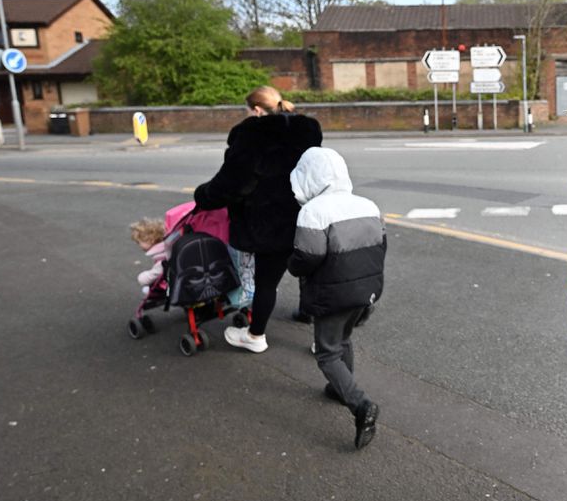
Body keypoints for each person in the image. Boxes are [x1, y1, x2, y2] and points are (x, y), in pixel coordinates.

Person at [194, 85, 322, 353]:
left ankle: (256, 335)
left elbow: (233, 183)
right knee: (310, 271)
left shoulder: (252, 133)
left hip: (268, 222)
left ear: (255, 109)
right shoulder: (308, 130)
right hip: (306, 215)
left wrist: (202, 196)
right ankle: (317, 329)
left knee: (266, 283)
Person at [287, 147, 387, 449]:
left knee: (327, 353)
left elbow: (308, 256)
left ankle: (360, 404)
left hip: (331, 293)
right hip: (365, 291)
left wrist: (291, 265)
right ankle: (341, 387)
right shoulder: (367, 205)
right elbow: (381, 245)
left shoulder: (313, 212)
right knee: (343, 340)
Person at [130, 217, 170, 293]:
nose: (139, 245)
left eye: (139, 242)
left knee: (146, 288)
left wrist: (142, 277)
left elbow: (157, 272)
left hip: (170, 284)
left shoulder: (162, 257)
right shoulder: (167, 248)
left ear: (150, 240)